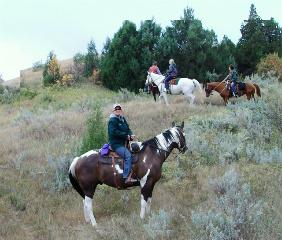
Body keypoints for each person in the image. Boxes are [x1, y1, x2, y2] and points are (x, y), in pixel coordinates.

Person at [108, 103, 135, 183]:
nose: (118, 111)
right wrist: (126, 136)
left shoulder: (122, 118)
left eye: (119, 109)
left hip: (124, 143)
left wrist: (131, 134)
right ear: (113, 111)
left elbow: (128, 128)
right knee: (128, 156)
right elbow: (113, 132)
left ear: (121, 110)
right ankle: (126, 177)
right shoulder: (112, 120)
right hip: (116, 144)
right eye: (116, 109)